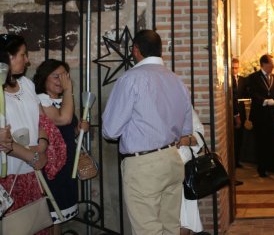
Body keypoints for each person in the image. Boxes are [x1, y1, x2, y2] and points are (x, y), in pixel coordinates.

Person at [102, 30, 193, 235]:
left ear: (135, 50)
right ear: (160, 51)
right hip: (172, 159)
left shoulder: (130, 79)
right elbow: (186, 128)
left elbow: (110, 131)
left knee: (147, 230)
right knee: (171, 226)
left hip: (143, 164)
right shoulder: (177, 81)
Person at [0, 34, 66, 235]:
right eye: (23, 54)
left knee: (37, 226)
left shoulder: (27, 85)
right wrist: (32, 156)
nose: (27, 60)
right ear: (8, 58)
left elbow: (41, 121)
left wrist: (43, 144)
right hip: (7, 177)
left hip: (32, 174)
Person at [34, 59, 89, 234]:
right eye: (56, 76)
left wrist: (78, 129)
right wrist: (68, 90)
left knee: (59, 215)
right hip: (50, 165)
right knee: (50, 213)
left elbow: (64, 130)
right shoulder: (41, 100)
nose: (61, 81)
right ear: (44, 78)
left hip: (66, 163)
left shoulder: (62, 100)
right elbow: (61, 119)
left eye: (64, 76)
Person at [178, 108, 209, 235]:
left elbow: (199, 131)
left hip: (184, 167)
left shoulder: (182, 101)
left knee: (186, 217)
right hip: (157, 169)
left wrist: (185, 140)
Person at [231, 58, 247, 172]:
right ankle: (232, 161)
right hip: (232, 112)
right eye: (232, 68)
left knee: (240, 138)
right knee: (233, 138)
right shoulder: (228, 80)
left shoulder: (243, 80)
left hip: (241, 111)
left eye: (236, 68)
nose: (234, 70)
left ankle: (237, 161)